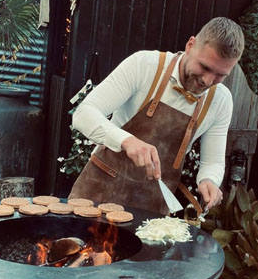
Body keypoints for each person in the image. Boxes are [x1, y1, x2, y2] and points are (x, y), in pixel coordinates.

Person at [68, 17, 245, 215]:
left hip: (152, 210)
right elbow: (84, 114)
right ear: (190, 45)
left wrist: (209, 180)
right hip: (97, 193)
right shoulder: (145, 65)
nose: (207, 80)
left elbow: (212, 161)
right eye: (204, 67)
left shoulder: (221, 100)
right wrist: (127, 141)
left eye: (220, 75)